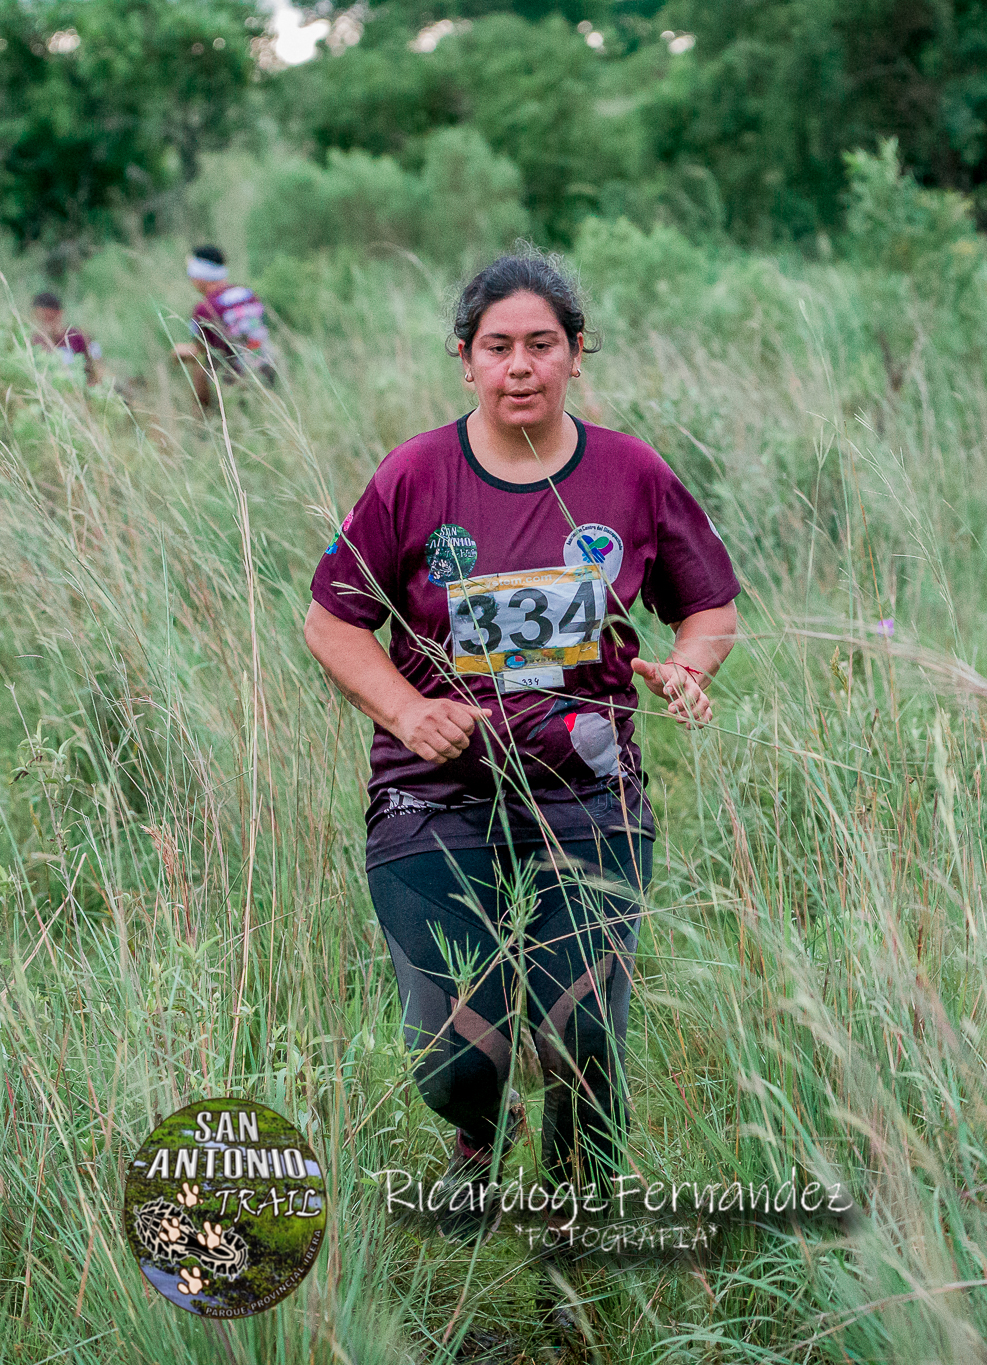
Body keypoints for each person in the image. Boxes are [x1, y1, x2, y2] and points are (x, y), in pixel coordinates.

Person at [304, 251, 741, 1239]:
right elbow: (331, 623)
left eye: (540, 345)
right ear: (464, 360)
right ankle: (474, 1137)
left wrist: (686, 667)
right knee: (462, 1049)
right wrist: (406, 711)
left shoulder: (631, 473)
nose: (519, 367)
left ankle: (574, 1249)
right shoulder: (413, 474)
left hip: (588, 792)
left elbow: (708, 605)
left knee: (580, 1029)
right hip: (431, 790)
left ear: (576, 355)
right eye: (496, 347)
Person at [173, 245, 276, 409]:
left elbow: (201, 350)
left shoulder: (204, 308)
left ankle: (202, 419)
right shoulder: (249, 294)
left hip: (236, 379)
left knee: (199, 362)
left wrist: (179, 352)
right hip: (267, 369)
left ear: (201, 276)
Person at [30, 290, 101, 386]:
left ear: (60, 314)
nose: (46, 325)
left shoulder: (76, 337)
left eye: (50, 318)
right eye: (40, 320)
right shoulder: (34, 342)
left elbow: (95, 372)